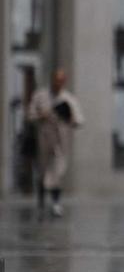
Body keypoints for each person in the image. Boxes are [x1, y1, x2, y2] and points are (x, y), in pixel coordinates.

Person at [27, 68, 84, 218]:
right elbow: (30, 115)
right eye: (56, 80)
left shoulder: (68, 99)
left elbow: (78, 120)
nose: (58, 83)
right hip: (44, 139)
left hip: (61, 142)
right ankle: (41, 202)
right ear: (52, 80)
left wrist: (68, 117)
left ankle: (56, 203)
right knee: (43, 171)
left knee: (57, 173)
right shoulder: (40, 96)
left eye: (61, 81)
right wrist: (42, 115)